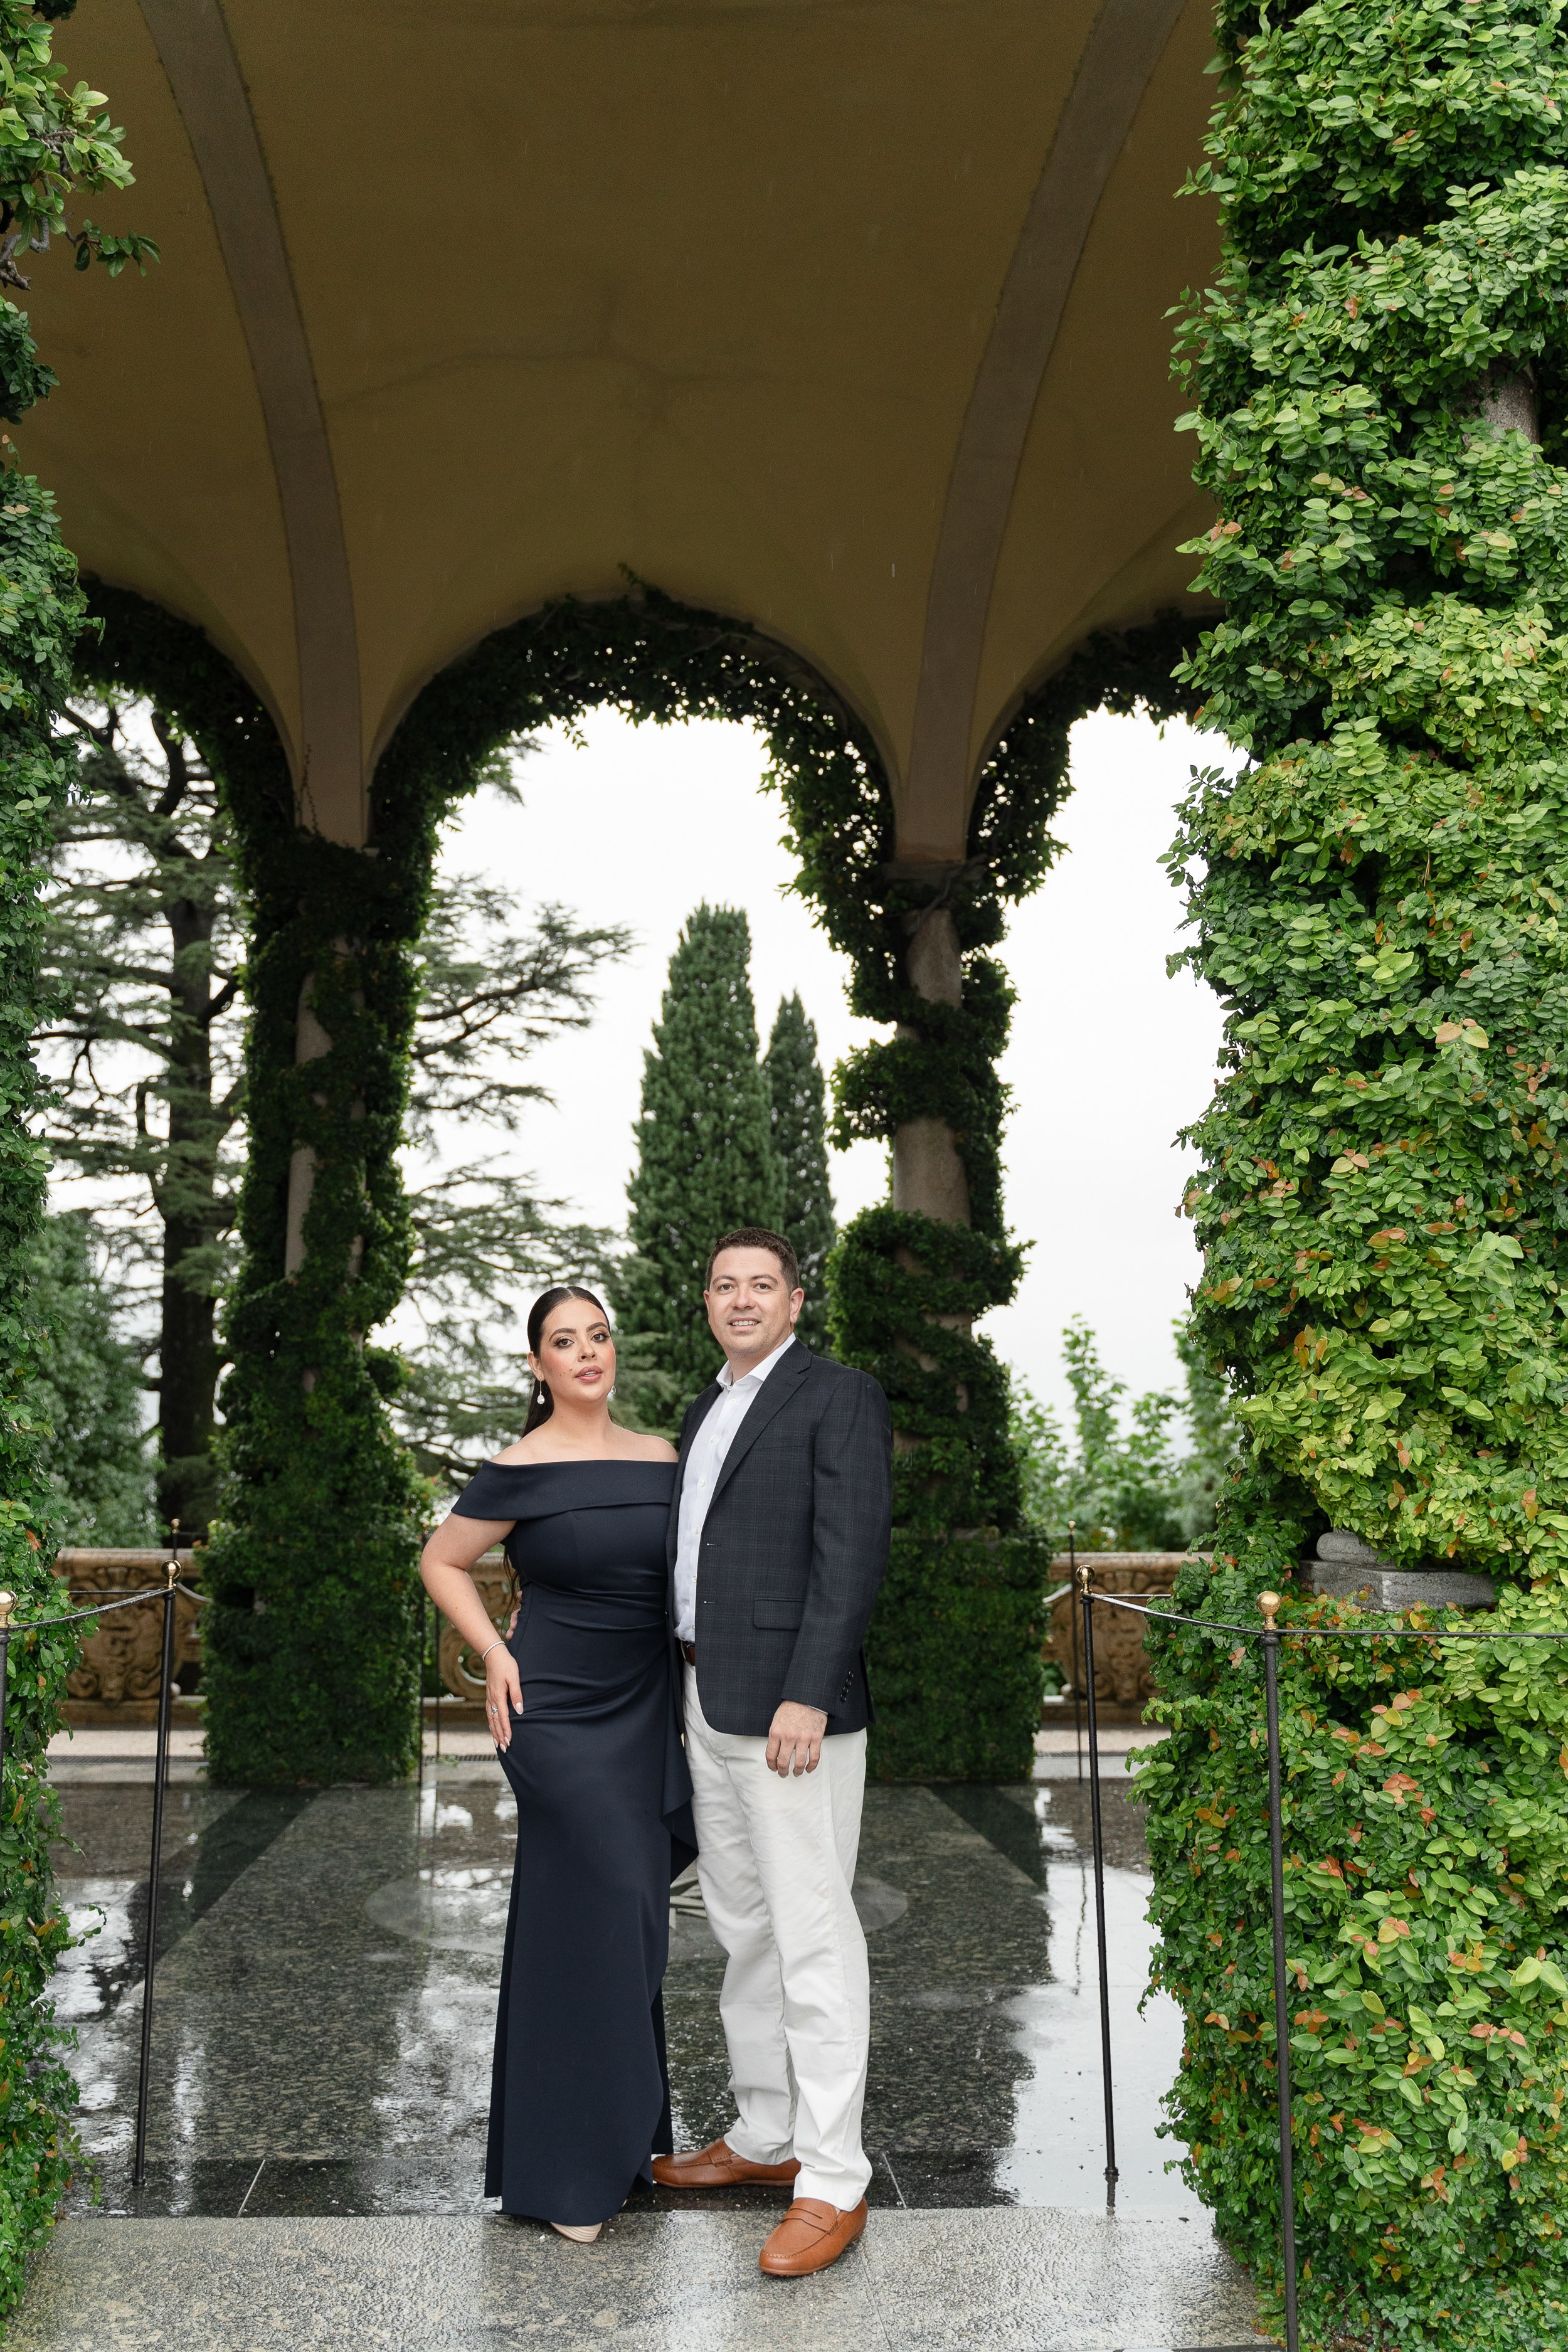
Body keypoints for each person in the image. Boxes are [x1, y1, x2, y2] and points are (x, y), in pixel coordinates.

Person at [420, 1285, 694, 2244]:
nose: (586, 1353)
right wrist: (496, 1651)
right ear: (536, 1365)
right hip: (556, 1716)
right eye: (563, 1342)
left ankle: (617, 2145)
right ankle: (575, 2173)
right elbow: (441, 1560)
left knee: (619, 1923)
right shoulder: (517, 1467)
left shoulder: (664, 1458)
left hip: (646, 1709)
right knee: (614, 1905)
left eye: (599, 1336)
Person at [652, 1227, 892, 2278]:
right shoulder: (707, 1407)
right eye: (724, 1284)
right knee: (741, 1924)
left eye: (762, 1284)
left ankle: (833, 2176)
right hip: (708, 1696)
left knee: (813, 1938)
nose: (741, 1298)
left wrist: (810, 1692)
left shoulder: (837, 1394)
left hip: (792, 1715)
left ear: (797, 1300)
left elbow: (853, 1554)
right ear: (706, 1301)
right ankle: (763, 2135)